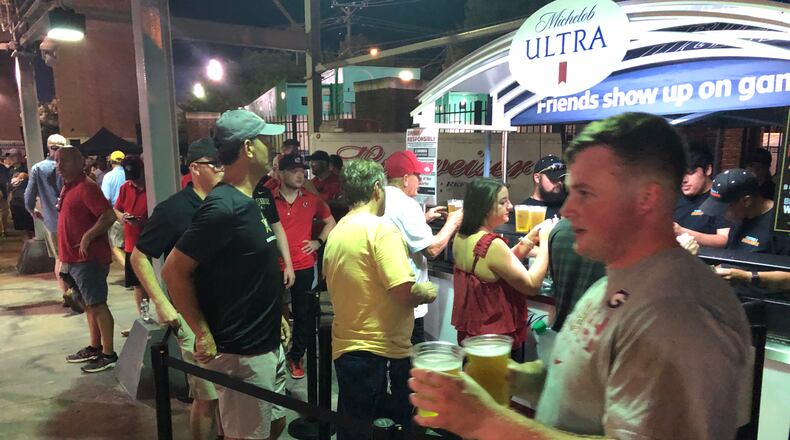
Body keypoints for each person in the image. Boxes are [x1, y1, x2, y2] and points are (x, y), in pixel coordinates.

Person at [410, 112, 751, 440]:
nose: (569, 210)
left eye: (586, 193)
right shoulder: (615, 281)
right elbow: (588, 382)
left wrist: (486, 422)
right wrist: (516, 376)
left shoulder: (679, 311)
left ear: (647, 197)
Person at [163, 109, 288, 440]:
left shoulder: (248, 201)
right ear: (248, 148)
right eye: (263, 140)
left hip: (264, 342)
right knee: (245, 435)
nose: (270, 146)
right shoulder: (224, 207)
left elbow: (247, 271)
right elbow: (173, 271)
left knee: (274, 424)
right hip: (242, 352)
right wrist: (201, 331)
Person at [323, 159, 437, 440]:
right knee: (389, 430)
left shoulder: (338, 232)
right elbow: (403, 291)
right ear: (377, 189)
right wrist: (424, 292)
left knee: (354, 429)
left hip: (347, 350)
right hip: (381, 353)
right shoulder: (381, 230)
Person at [131, 138, 224, 440]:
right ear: (195, 168)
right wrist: (161, 302)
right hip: (192, 314)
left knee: (233, 393)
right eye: (216, 165)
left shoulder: (228, 202)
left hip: (229, 313)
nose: (223, 171)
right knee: (207, 395)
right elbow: (139, 256)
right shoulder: (174, 210)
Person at [452, 177, 553, 353]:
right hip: (495, 342)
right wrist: (545, 242)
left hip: (475, 339)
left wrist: (528, 240)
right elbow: (531, 286)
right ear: (485, 208)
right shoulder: (492, 244)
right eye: (503, 202)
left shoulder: (461, 237)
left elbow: (497, 265)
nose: (511, 206)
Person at [383, 150, 463, 344]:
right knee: (410, 358)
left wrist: (423, 219)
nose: (420, 180)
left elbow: (397, 230)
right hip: (407, 295)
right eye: (417, 176)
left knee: (391, 351)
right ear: (405, 179)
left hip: (384, 293)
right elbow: (432, 250)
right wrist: (453, 222)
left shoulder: (380, 198)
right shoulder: (407, 205)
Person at [272, 153, 335, 379]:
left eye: (302, 171)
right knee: (273, 312)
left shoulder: (310, 199)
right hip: (274, 266)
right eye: (293, 171)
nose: (300, 175)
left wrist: (318, 242)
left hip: (304, 265)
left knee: (303, 314)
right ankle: (274, 355)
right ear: (280, 173)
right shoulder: (268, 199)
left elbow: (330, 222)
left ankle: (296, 356)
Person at [56, 146, 118, 373]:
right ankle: (95, 347)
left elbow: (108, 216)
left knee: (98, 305)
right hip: (73, 260)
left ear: (79, 162)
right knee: (89, 306)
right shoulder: (68, 188)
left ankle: (109, 354)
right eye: (57, 161)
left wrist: (88, 236)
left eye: (64, 161)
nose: (59, 166)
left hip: (88, 260)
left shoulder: (87, 188)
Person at [701, 168, 790, 292]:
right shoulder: (740, 218)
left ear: (746, 201)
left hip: (764, 302)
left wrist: (748, 277)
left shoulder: (782, 224)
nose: (723, 214)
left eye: (726, 208)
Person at [24, 134, 71, 307]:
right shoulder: (71, 166)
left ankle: (67, 294)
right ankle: (74, 293)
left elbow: (28, 196)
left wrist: (32, 210)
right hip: (72, 221)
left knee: (60, 259)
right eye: (56, 147)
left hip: (52, 221)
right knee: (72, 258)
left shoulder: (38, 168)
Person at [546, 218, 605, 332]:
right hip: (597, 339)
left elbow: (554, 279)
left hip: (563, 333)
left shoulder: (560, 229)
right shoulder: (629, 235)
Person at [114, 156, 149, 335]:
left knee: (156, 284)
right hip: (131, 244)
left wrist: (142, 222)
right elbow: (117, 207)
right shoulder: (125, 187)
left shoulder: (153, 187)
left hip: (150, 245)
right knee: (138, 286)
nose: (134, 180)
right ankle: (144, 320)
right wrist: (121, 217)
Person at [672, 142, 729, 247]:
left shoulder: (721, 197)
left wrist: (681, 232)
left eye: (690, 173)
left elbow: (724, 239)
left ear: (708, 170)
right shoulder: (674, 196)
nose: (683, 180)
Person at [518, 154, 567, 220]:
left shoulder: (568, 207)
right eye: (553, 178)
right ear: (537, 178)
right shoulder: (523, 211)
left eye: (562, 178)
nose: (559, 182)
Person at [101, 150, 127, 268]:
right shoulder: (129, 174)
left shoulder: (108, 177)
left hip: (117, 215)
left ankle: (131, 271)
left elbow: (105, 198)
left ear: (111, 162)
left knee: (116, 246)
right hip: (133, 212)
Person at [9, 170, 34, 238]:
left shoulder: (16, 187)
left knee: (24, 229)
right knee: (29, 227)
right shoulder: (27, 185)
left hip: (17, 205)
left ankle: (28, 239)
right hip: (23, 206)